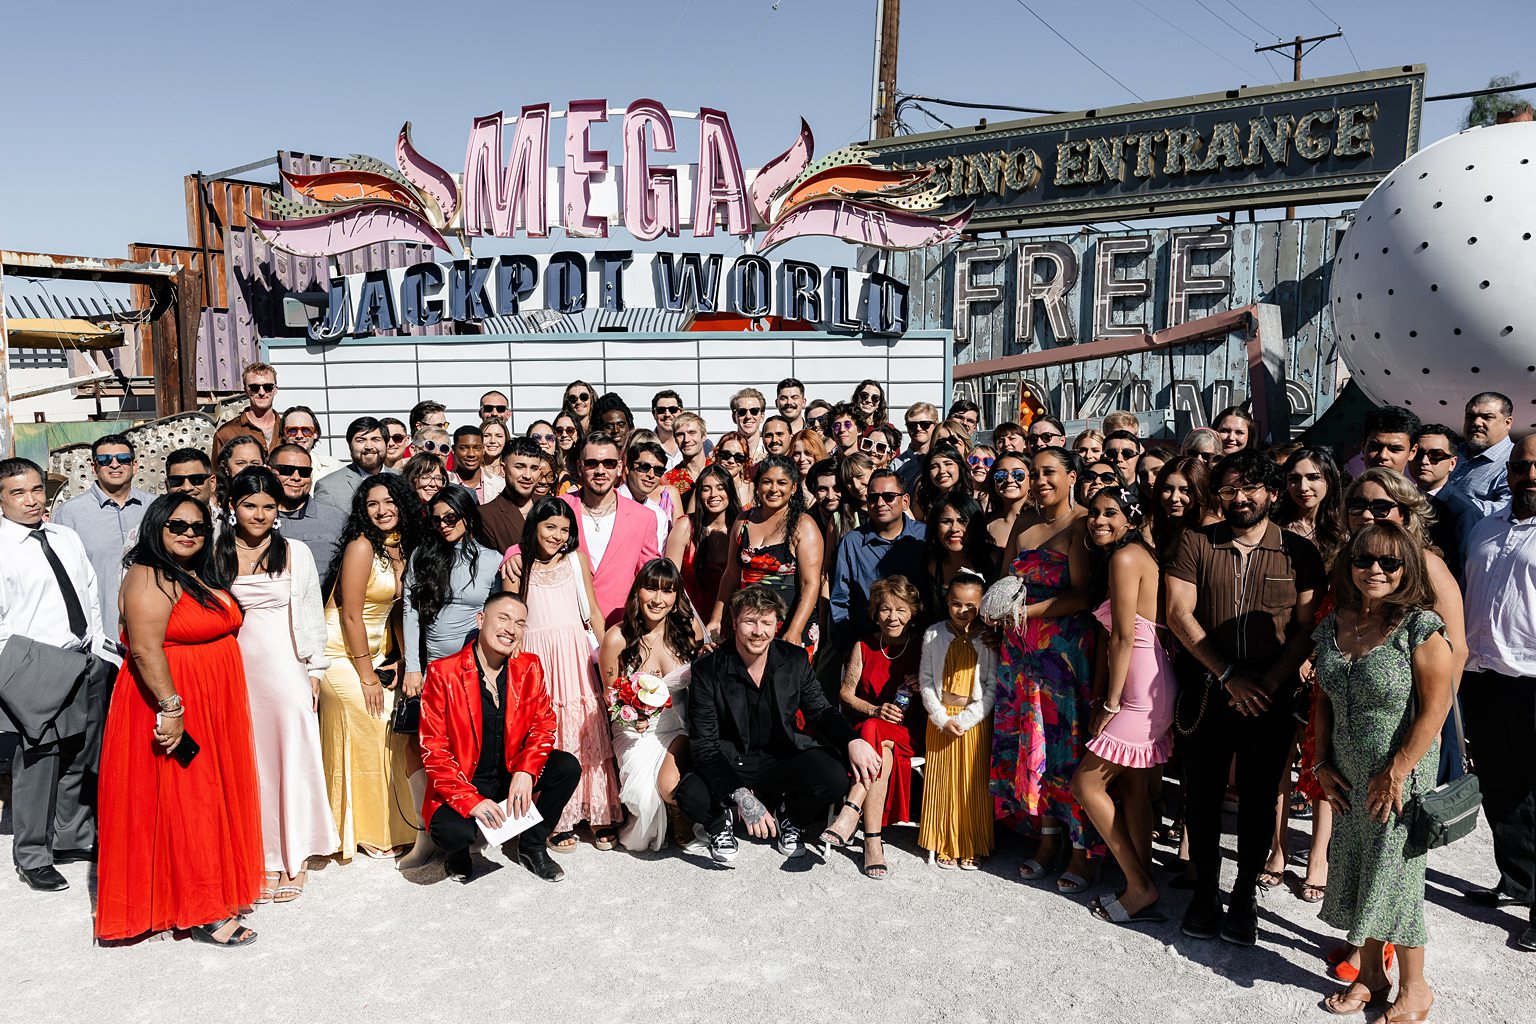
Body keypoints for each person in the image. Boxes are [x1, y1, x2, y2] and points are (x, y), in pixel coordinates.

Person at [1165, 450, 1325, 946]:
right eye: (1229, 488)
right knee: (1202, 796)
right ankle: (1206, 893)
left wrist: (1268, 683)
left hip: (1270, 698)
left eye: (1250, 488)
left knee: (1258, 802)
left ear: (1272, 494)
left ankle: (1243, 897)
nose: (1239, 497)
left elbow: (1305, 629)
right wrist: (1230, 674)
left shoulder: (1299, 553)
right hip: (1208, 690)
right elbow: (1178, 613)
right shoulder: (1195, 541)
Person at [95, 493, 262, 945]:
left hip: (212, 702)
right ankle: (204, 910)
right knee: (190, 802)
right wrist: (172, 709)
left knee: (203, 797)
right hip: (173, 700)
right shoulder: (148, 575)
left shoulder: (191, 573)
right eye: (178, 526)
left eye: (199, 527)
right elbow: (146, 649)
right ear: (156, 528)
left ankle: (203, 893)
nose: (189, 533)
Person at [1313, 523, 1453, 1019]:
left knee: (1395, 878)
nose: (1375, 569)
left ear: (1406, 569)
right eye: (1364, 559)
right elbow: (1324, 698)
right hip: (1347, 773)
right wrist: (1321, 761)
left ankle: (1416, 988)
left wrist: (1396, 770)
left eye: (1390, 562)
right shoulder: (1334, 623)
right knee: (1356, 869)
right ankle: (1372, 976)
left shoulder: (1420, 626)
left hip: (1400, 776)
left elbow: (1437, 706)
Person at [676, 585, 883, 863]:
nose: (758, 631)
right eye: (750, 621)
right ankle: (719, 824)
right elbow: (704, 746)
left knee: (833, 776)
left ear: (777, 626)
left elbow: (821, 711)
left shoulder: (795, 660)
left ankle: (790, 816)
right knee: (691, 794)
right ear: (735, 623)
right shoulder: (708, 669)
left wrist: (852, 740)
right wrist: (741, 796)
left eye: (766, 623)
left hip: (780, 756)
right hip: (729, 759)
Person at [215, 467, 337, 902]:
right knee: (252, 764)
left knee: (293, 758)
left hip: (286, 666)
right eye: (250, 505)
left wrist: (315, 670)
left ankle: (297, 855)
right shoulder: (216, 551)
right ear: (233, 506)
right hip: (233, 670)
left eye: (269, 506)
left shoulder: (296, 552)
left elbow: (310, 614)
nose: (260, 514)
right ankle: (264, 854)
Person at [418, 593, 580, 883]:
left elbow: (544, 724)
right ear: (481, 620)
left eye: (519, 623)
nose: (511, 629)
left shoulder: (529, 666)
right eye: (503, 618)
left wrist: (526, 770)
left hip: (509, 772)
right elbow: (434, 750)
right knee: (452, 832)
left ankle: (531, 847)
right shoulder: (444, 673)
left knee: (566, 766)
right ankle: (457, 854)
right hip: (465, 779)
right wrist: (471, 801)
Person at [0, 458, 107, 893]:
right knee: (38, 761)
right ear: (1, 499)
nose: (31, 500)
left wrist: (99, 648)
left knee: (83, 754)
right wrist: (16, 673)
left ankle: (72, 838)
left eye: (36, 490)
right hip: (34, 664)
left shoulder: (65, 536)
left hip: (84, 659)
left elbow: (89, 593)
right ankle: (32, 855)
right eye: (18, 492)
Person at [1072, 486, 1176, 925]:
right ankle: (1141, 873)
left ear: (1130, 519)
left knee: (1087, 785)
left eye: (1111, 513)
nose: (1099, 520)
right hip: (1152, 678)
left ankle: (1139, 886)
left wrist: (1110, 702)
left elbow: (1121, 635)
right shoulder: (1138, 554)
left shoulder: (1124, 557)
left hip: (1137, 688)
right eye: (1093, 512)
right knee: (1133, 786)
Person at [994, 447, 1096, 891]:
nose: (1039, 481)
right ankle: (1046, 839)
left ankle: (1079, 850)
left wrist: (1029, 613)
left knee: (1064, 750)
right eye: (1033, 473)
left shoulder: (1082, 524)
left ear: (1072, 475)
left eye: (1049, 472)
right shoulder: (1023, 523)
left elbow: (1085, 596)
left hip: (1062, 658)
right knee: (1029, 744)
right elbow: (1002, 584)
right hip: (1018, 658)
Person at [503, 497, 621, 852]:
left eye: (565, 529)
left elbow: (596, 614)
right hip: (536, 659)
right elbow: (509, 618)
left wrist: (609, 661)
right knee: (548, 735)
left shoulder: (575, 560)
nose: (557, 535)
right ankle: (557, 817)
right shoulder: (517, 564)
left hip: (575, 655)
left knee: (587, 729)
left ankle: (598, 810)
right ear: (534, 526)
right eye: (549, 527)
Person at [319, 473, 422, 859]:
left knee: (395, 724)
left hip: (376, 649)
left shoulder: (403, 547)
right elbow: (349, 615)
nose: (382, 511)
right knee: (373, 717)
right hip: (338, 650)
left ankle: (395, 823)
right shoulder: (362, 546)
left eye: (389, 502)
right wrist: (367, 676)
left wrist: (398, 658)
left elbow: (400, 610)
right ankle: (364, 829)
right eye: (372, 504)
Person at [1460, 433, 1536, 953]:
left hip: (1533, 680)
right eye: (1522, 466)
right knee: (1501, 785)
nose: (1529, 474)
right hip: (1482, 678)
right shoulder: (1485, 527)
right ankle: (1517, 880)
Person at [821, 576, 926, 877]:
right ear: (875, 613)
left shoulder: (922, 646)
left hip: (911, 730)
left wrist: (924, 683)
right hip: (874, 733)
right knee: (874, 729)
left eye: (901, 610)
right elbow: (845, 692)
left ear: (913, 612)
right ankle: (873, 842)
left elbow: (942, 688)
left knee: (873, 731)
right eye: (885, 609)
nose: (892, 617)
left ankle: (850, 811)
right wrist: (875, 709)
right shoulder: (863, 645)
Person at [598, 560, 701, 851]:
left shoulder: (687, 630)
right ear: (637, 591)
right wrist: (632, 718)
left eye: (667, 592)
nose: (658, 599)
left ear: (677, 597)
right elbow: (610, 694)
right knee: (642, 800)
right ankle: (663, 808)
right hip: (635, 729)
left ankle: (677, 811)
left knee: (668, 788)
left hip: (678, 724)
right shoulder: (617, 637)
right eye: (651, 589)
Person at [917, 571, 998, 871]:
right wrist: (940, 718)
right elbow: (926, 680)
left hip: (973, 723)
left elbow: (991, 686)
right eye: (955, 604)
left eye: (970, 606)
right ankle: (945, 842)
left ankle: (970, 844)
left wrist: (968, 719)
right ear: (946, 602)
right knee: (944, 784)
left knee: (970, 786)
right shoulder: (933, 634)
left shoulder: (987, 639)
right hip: (941, 720)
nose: (963, 611)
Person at [709, 456, 823, 651]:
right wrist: (716, 619)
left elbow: (810, 583)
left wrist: (795, 629)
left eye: (782, 483)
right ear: (757, 485)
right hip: (749, 625)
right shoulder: (743, 521)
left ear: (793, 488)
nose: (773, 489)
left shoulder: (804, 525)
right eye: (766, 482)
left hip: (790, 626)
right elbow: (731, 575)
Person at [402, 484, 502, 696]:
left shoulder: (493, 560)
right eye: (436, 520)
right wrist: (412, 667)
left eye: (450, 518)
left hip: (477, 668)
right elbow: (410, 612)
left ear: (468, 516)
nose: (443, 525)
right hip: (435, 667)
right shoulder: (422, 556)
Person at [51, 433, 151, 636]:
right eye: (105, 460)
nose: (114, 465)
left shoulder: (155, 507)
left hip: (153, 625)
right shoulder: (70, 513)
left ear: (134, 465)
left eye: (122, 459)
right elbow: (61, 578)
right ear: (94, 467)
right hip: (101, 632)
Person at [560, 432, 661, 627]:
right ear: (580, 467)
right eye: (592, 463)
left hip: (620, 626)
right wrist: (512, 554)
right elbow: (530, 545)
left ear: (620, 467)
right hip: (568, 625)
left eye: (609, 463)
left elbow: (649, 576)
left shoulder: (643, 517)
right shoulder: (561, 507)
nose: (600, 471)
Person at [830, 468, 928, 658]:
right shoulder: (852, 543)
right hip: (868, 647)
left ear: (905, 500)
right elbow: (840, 600)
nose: (880, 503)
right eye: (873, 498)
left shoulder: (924, 537)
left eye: (889, 496)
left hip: (920, 647)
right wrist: (848, 648)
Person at [267, 443, 349, 589]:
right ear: (269, 472)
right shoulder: (256, 519)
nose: (296, 477)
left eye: (304, 472)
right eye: (287, 470)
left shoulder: (337, 519)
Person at [665, 463, 738, 617]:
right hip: (689, 617)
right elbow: (669, 579)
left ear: (730, 491)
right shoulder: (685, 526)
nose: (713, 494)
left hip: (733, 618)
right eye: (706, 489)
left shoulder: (741, 527)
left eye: (720, 488)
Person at [1410, 423, 1472, 574]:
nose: (1424, 461)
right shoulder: (1403, 498)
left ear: (1452, 463)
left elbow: (1463, 570)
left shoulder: (1463, 511)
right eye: (1418, 453)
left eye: (1436, 455)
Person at [1275, 446, 1348, 570]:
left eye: (1313, 478)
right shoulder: (1274, 527)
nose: (1303, 487)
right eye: (1294, 479)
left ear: (1330, 480)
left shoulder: (1345, 528)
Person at [1445, 390, 1514, 516]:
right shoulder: (1452, 452)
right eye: (1470, 417)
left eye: (1487, 417)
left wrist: (1444, 500)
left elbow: (1507, 508)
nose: (1476, 423)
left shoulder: (1516, 462)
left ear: (1507, 423)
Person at [478, 436, 544, 555]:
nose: (527, 476)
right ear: (503, 469)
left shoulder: (549, 504)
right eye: (519, 467)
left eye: (533, 468)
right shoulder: (487, 515)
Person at [925, 492, 988, 612]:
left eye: (962, 520)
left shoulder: (994, 559)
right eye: (946, 521)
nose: (954, 528)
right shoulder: (932, 566)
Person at [313, 416, 387, 512]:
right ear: (350, 446)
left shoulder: (403, 478)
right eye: (361, 440)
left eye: (375, 439)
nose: (369, 446)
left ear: (386, 443)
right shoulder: (328, 487)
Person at [618, 439, 680, 551]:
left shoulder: (659, 515)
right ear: (627, 468)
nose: (651, 475)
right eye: (644, 467)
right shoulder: (610, 503)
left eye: (658, 470)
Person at [213, 361, 280, 454]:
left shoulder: (288, 429)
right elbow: (217, 468)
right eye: (254, 388)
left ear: (275, 389)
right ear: (245, 391)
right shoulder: (226, 433)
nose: (261, 392)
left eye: (268, 387)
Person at [1150, 454, 1210, 556]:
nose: (1174, 498)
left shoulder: (1207, 531)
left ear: (1200, 492)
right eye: (1167, 489)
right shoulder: (1165, 528)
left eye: (1185, 490)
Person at [279, 406, 343, 480]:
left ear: (315, 433)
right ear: (283, 434)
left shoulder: (334, 467)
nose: (299, 436)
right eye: (292, 430)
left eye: (306, 430)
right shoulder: (274, 469)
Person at [913, 443, 971, 521]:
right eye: (934, 466)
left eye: (948, 464)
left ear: (959, 467)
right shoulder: (923, 502)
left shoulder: (972, 496)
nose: (942, 471)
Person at [449, 424, 503, 505]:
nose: (471, 454)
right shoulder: (444, 483)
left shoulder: (500, 485)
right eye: (464, 448)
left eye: (477, 448)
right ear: (453, 449)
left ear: (483, 449)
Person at [664, 411, 710, 498]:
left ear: (703, 436)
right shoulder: (668, 480)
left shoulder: (720, 470)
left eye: (692, 433)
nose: (686, 439)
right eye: (680, 435)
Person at [896, 401, 939, 489]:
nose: (918, 428)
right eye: (912, 425)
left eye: (925, 424)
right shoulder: (896, 465)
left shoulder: (945, 459)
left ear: (935, 425)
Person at [216, 434, 267, 509]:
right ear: (225, 466)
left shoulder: (272, 498)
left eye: (255, 463)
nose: (248, 468)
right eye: (240, 463)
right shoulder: (214, 503)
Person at [712, 430, 756, 509]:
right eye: (726, 455)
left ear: (745, 461)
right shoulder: (705, 488)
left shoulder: (753, 490)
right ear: (717, 455)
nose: (731, 461)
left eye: (739, 457)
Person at [729, 388, 768, 461]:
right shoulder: (724, 453)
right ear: (734, 417)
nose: (748, 416)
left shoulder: (770, 449)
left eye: (754, 411)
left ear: (762, 416)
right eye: (742, 411)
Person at [650, 389, 685, 463]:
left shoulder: (697, 444)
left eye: (673, 409)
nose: (667, 414)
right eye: (661, 410)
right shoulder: (644, 444)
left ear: (681, 412)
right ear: (654, 414)